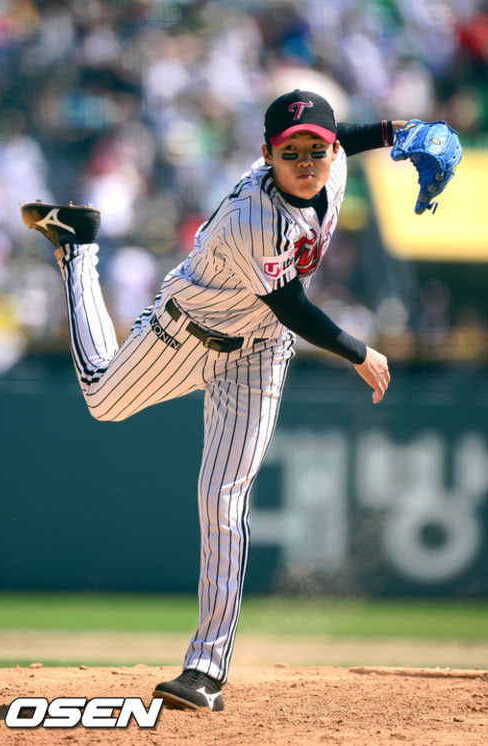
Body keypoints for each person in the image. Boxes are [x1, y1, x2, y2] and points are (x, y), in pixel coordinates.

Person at [21, 89, 399, 712]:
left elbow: (346, 138)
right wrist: (361, 352)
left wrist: (396, 131)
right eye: (290, 152)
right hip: (185, 331)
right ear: (267, 156)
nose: (306, 162)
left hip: (258, 352)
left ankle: (205, 671)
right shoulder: (256, 215)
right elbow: (292, 305)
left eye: (317, 150)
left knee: (222, 497)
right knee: (102, 399)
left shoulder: (331, 166)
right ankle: (79, 246)